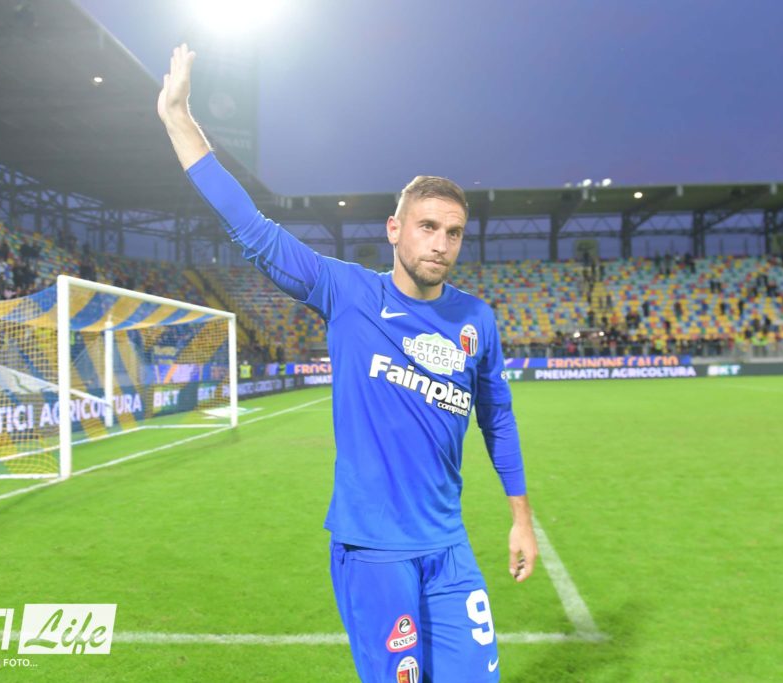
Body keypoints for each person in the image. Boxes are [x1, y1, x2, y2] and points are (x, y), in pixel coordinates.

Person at [158, 44, 538, 682]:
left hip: (449, 547)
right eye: (427, 227)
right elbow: (253, 230)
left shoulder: (477, 319)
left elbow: (496, 418)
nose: (441, 244)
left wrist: (520, 518)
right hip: (373, 550)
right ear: (395, 229)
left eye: (453, 233)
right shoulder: (349, 293)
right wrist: (177, 118)